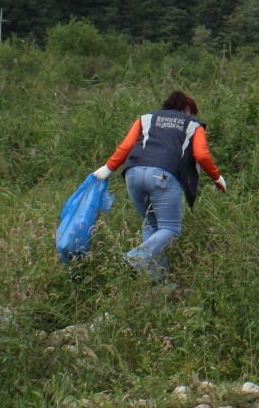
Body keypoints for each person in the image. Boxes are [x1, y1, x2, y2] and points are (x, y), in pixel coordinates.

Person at [93, 91, 226, 282]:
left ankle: (157, 280)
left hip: (133, 174)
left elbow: (126, 146)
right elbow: (202, 154)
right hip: (164, 175)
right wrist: (217, 178)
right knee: (171, 229)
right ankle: (132, 259)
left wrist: (108, 168)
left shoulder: (147, 118)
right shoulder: (193, 124)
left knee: (152, 225)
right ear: (187, 109)